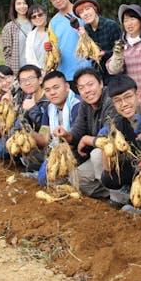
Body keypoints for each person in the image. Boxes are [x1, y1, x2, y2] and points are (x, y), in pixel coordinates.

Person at [98, 75, 141, 207]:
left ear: (138, 94)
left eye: (128, 97)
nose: (124, 104)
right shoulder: (118, 123)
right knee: (108, 178)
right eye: (117, 100)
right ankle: (129, 194)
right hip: (136, 167)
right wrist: (106, 145)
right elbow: (107, 168)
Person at [54, 67, 117, 198]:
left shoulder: (111, 101)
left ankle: (118, 196)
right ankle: (114, 194)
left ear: (100, 83)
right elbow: (78, 131)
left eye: (90, 84)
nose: (87, 90)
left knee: (97, 153)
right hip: (98, 156)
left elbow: (108, 138)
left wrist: (87, 139)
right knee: (77, 179)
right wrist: (66, 135)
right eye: (81, 88)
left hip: (117, 154)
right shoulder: (85, 104)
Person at [106, 4, 141, 106]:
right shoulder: (122, 46)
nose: (129, 23)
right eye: (125, 20)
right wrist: (117, 57)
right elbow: (113, 70)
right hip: (134, 103)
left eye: (132, 18)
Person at [0, 64, 48, 161]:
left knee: (32, 157)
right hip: (22, 133)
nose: (27, 83)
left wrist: (33, 109)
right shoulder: (26, 97)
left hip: (42, 136)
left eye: (31, 79)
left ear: (40, 80)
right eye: (23, 81)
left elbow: (44, 128)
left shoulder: (47, 99)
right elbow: (20, 120)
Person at [33, 71, 81, 183]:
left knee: (45, 179)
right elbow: (44, 133)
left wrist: (54, 157)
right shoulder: (49, 108)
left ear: (67, 87)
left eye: (56, 87)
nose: (52, 93)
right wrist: (29, 133)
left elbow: (75, 138)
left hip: (74, 150)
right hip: (56, 149)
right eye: (48, 90)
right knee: (31, 154)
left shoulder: (77, 105)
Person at [47, 0, 91, 90]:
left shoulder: (82, 12)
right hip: (65, 74)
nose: (58, 0)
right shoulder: (53, 22)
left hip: (86, 69)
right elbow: (54, 47)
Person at [72, 0, 121, 84]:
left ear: (95, 9)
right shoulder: (85, 30)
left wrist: (104, 53)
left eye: (88, 9)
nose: (85, 13)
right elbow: (87, 54)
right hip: (98, 75)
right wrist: (83, 38)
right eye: (81, 12)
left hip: (115, 74)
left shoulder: (111, 25)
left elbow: (120, 51)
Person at [2, 0, 32, 74]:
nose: (22, 6)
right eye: (19, 3)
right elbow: (7, 53)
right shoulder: (9, 27)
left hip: (36, 70)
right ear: (14, 6)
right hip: (18, 72)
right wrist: (13, 73)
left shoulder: (35, 24)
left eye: (24, 3)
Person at [24, 4, 49, 71]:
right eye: (34, 17)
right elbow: (29, 57)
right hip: (38, 72)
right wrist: (40, 70)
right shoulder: (30, 35)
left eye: (40, 15)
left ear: (45, 15)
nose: (37, 18)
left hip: (55, 71)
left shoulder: (54, 31)